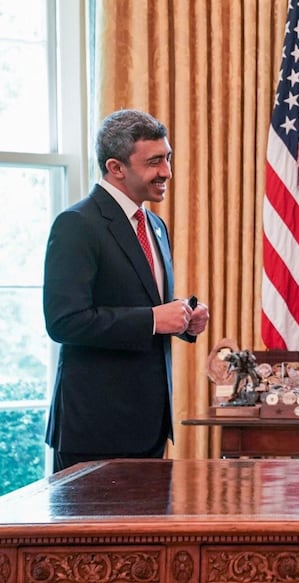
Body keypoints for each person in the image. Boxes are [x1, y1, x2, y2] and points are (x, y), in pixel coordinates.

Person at [43, 109, 210, 472]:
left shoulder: (155, 224)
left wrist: (183, 319)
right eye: (154, 162)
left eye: (167, 158)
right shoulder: (76, 224)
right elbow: (64, 322)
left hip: (150, 429)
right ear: (116, 168)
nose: (167, 171)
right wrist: (153, 319)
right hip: (94, 433)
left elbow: (147, 306)